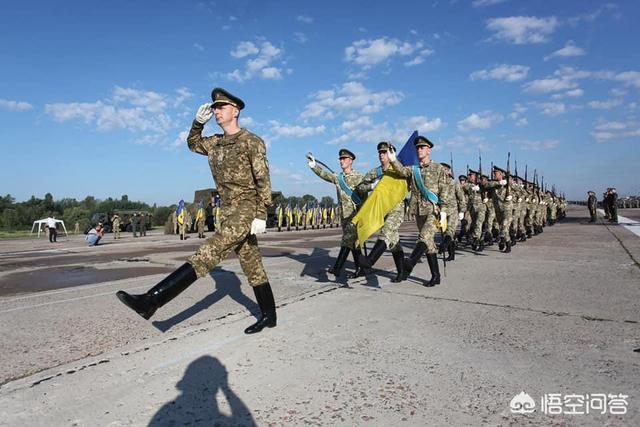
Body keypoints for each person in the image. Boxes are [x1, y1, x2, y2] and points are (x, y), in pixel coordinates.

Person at [117, 87, 276, 335]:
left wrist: (261, 214)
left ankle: (152, 301)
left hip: (246, 209)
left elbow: (263, 179)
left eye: (221, 107)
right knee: (252, 264)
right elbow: (192, 144)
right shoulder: (214, 143)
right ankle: (269, 316)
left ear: (235, 111)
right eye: (213, 108)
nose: (215, 112)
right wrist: (197, 124)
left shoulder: (251, 141)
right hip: (227, 210)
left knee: (208, 252)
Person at [387, 136, 452, 286]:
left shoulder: (438, 169)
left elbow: (445, 191)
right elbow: (402, 171)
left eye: (422, 148)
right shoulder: (414, 169)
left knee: (423, 237)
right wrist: (393, 159)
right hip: (418, 211)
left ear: (429, 150)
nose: (419, 150)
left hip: (433, 212)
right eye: (417, 148)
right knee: (428, 244)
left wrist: (444, 212)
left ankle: (410, 262)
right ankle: (436, 276)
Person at [307, 148, 366, 278]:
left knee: (346, 241)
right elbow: (325, 175)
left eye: (344, 159)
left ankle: (337, 268)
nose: (341, 161)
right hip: (344, 216)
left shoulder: (359, 177)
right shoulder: (338, 178)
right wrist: (314, 166)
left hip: (355, 215)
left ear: (351, 161)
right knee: (354, 243)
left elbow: (365, 194)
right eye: (340, 159)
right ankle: (361, 268)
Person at [356, 142, 406, 282]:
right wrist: (372, 185)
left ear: (392, 154)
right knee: (394, 242)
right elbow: (360, 187)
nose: (382, 155)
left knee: (386, 231)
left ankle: (370, 261)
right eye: (380, 153)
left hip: (396, 208)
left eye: (385, 152)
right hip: (382, 210)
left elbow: (407, 177)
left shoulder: (398, 169)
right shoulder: (376, 172)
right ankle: (402, 272)